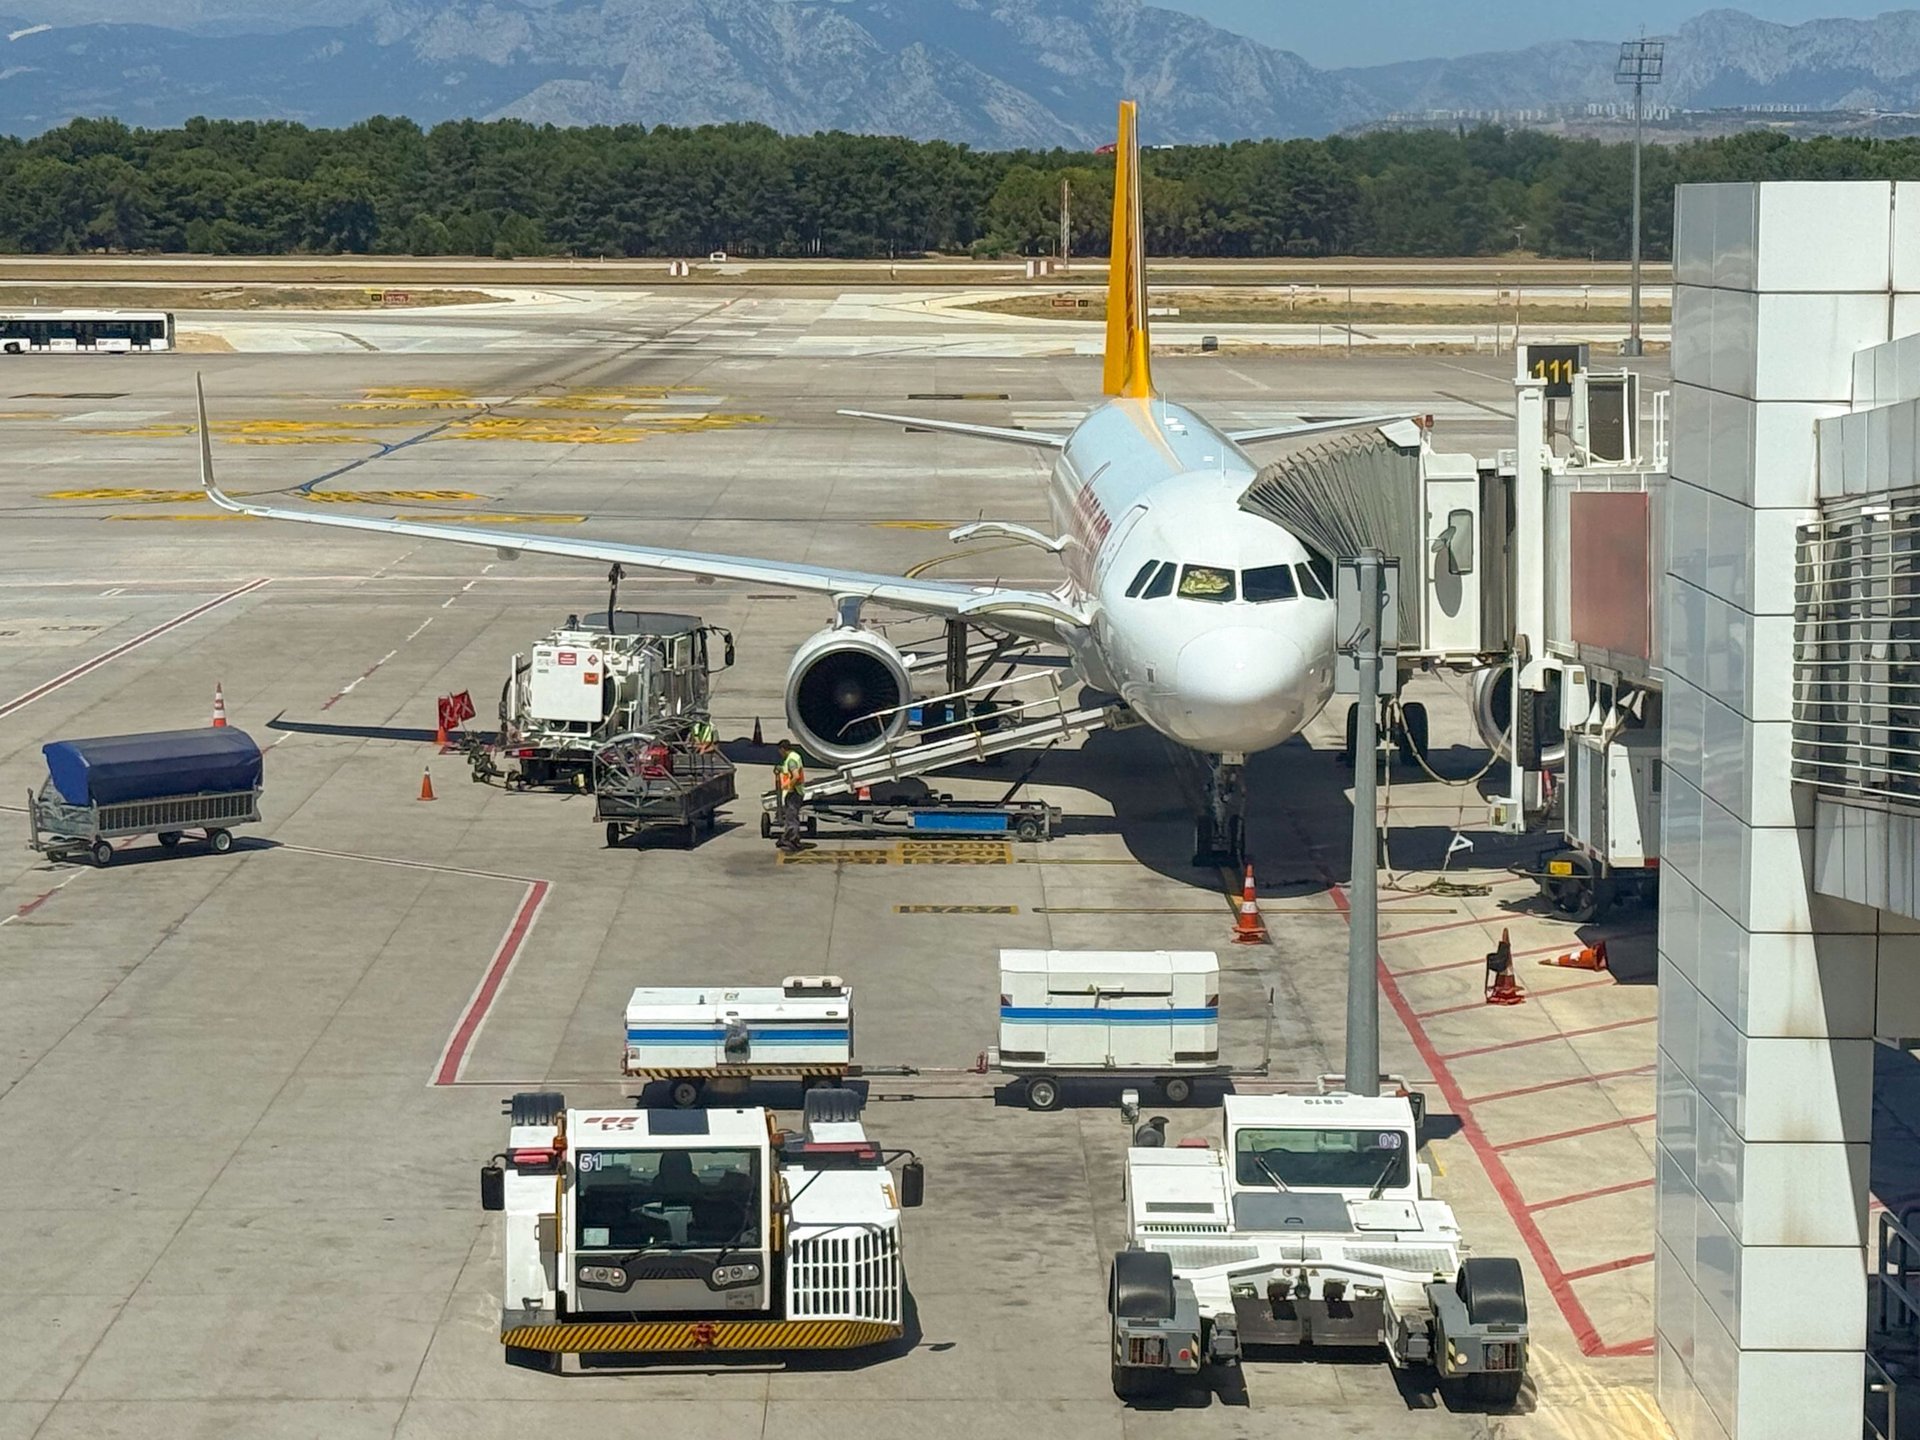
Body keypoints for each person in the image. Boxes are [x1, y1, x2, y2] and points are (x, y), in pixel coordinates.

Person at [775, 740, 806, 852]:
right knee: (791, 816)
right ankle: (790, 838)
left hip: (794, 792)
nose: (780, 753)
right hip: (797, 791)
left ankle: (791, 840)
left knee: (791, 817)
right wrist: (780, 768)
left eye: (780, 751)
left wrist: (790, 787)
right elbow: (788, 770)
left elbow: (796, 775)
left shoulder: (791, 760)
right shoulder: (794, 756)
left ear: (783, 749)